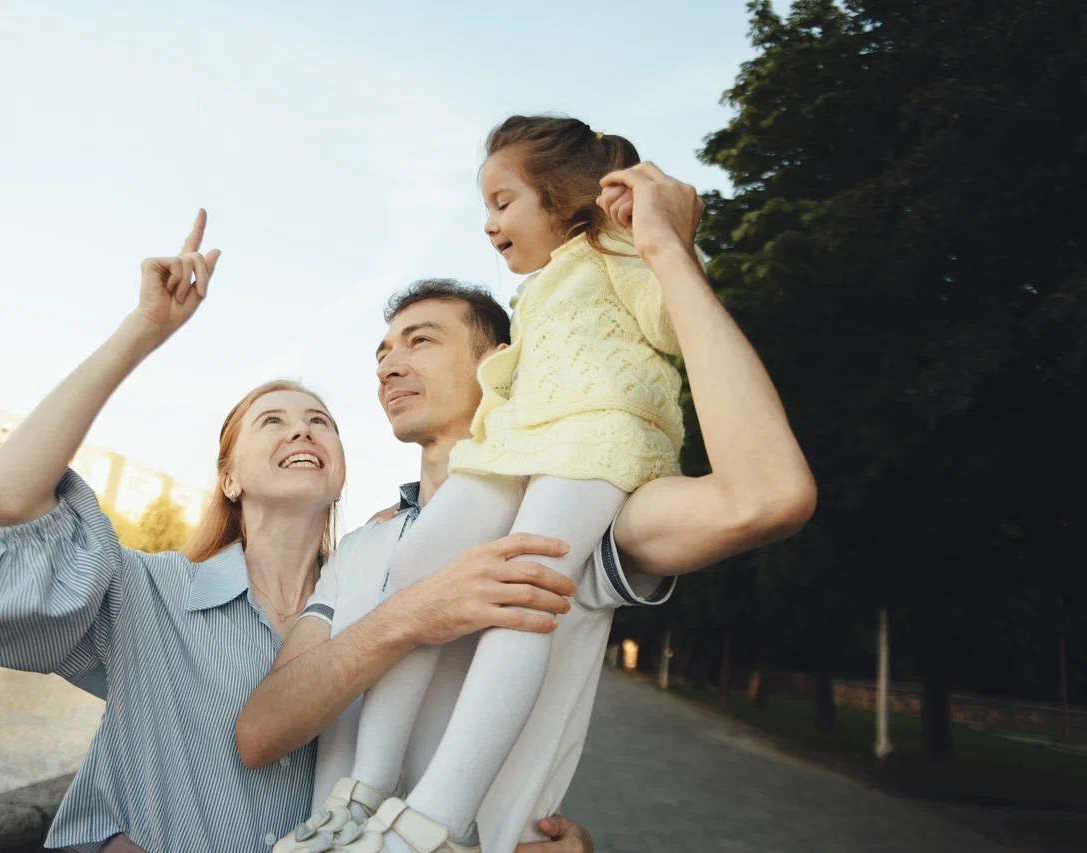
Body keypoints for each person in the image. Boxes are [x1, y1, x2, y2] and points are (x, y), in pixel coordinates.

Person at [0, 212, 588, 853]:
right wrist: (142, 329)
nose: (301, 428)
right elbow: (3, 506)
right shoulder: (150, 594)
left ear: (341, 469)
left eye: (321, 420)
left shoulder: (385, 574)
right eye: (272, 420)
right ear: (229, 476)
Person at [246, 120, 816, 853]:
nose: (388, 363)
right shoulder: (366, 545)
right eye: (381, 350)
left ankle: (433, 819)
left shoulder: (600, 528)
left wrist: (667, 247)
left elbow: (768, 494)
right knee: (424, 568)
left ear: (506, 355)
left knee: (524, 587)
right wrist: (413, 614)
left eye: (420, 340)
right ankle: (369, 792)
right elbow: (258, 733)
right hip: (337, 835)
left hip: (585, 451)